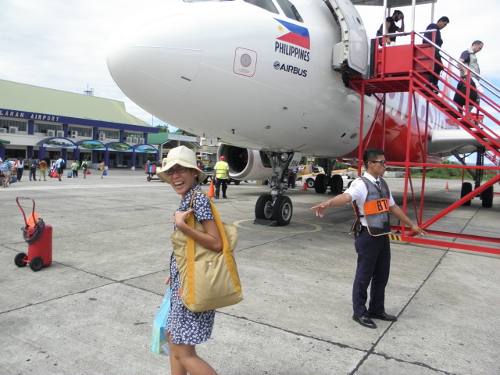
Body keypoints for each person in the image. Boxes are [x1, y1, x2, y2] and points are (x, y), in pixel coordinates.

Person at [311, 148, 427, 329]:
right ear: (370, 164)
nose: (385, 165)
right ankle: (359, 313)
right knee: (364, 277)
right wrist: (329, 203)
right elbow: (347, 197)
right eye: (382, 162)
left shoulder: (383, 184)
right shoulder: (361, 184)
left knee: (382, 276)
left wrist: (411, 225)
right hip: (367, 236)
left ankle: (376, 309)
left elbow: (392, 208)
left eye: (385, 162)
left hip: (382, 235)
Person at [156, 146, 222, 375]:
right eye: (171, 171)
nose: (175, 175)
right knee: (172, 341)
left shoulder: (199, 199)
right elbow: (188, 246)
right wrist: (174, 270)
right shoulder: (188, 199)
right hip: (182, 281)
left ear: (194, 172)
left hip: (193, 285)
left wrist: (182, 225)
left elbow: (216, 242)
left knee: (183, 352)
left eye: (181, 169)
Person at [454, 40, 484, 113]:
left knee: (472, 94)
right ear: (475, 45)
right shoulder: (467, 53)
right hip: (470, 77)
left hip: (473, 77)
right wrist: (465, 71)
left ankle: (467, 110)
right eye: (479, 48)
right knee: (480, 92)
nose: (479, 50)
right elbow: (459, 63)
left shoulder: (472, 54)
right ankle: (468, 112)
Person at [423, 16, 450, 92]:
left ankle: (433, 84)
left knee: (438, 66)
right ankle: (431, 84)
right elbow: (431, 40)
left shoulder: (437, 30)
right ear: (440, 21)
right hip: (430, 49)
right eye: (444, 25)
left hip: (433, 49)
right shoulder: (433, 26)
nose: (443, 27)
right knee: (435, 66)